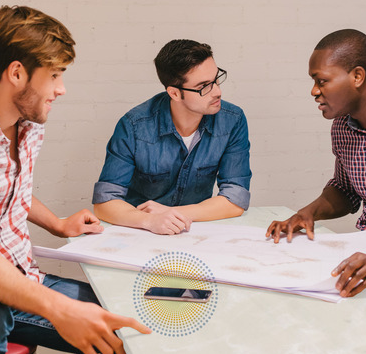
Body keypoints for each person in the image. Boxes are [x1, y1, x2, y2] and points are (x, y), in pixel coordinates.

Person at [0, 6, 150, 354]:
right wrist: (59, 308)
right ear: (17, 73)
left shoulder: (26, 119)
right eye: (55, 75)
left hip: (20, 277)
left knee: (135, 338)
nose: (62, 89)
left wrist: (56, 224)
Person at [266, 28, 366, 298]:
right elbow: (345, 191)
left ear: (357, 76)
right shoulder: (343, 126)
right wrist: (307, 213)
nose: (314, 91)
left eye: (321, 81)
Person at [93, 39, 251, 235]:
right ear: (174, 93)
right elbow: (105, 202)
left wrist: (170, 214)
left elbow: (236, 199)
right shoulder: (134, 126)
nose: (217, 92)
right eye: (204, 86)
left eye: (216, 79)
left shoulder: (232, 120)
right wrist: (150, 221)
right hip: (141, 233)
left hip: (195, 231)